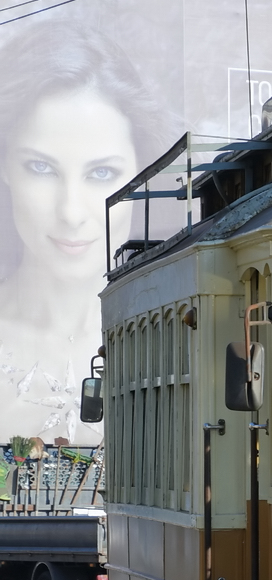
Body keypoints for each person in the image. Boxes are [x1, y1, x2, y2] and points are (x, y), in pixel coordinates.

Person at [0, 22, 170, 445]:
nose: (71, 212)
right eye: (40, 167)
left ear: (141, 175)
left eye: (101, 173)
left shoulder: (183, 343)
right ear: (5, 167)